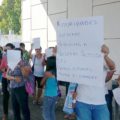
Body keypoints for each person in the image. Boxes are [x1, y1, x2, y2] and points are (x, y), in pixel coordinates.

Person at [75, 44, 115, 120]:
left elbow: (112, 67)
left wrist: (105, 55)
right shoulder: (79, 59)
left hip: (100, 103)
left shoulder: (102, 58)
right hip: (82, 101)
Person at [6, 48, 30, 120]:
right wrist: (14, 78)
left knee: (24, 108)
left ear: (20, 54)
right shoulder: (11, 63)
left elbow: (26, 76)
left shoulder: (25, 62)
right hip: (12, 88)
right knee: (15, 108)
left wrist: (21, 66)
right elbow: (6, 76)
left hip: (21, 88)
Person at [41, 47, 58, 120]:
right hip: (55, 95)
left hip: (49, 95)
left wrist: (44, 77)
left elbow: (41, 83)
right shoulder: (57, 72)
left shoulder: (48, 73)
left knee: (46, 113)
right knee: (51, 111)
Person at [0, 43, 15, 120]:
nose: (7, 51)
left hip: (14, 79)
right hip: (5, 78)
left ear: (13, 49)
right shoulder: (5, 57)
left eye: (9, 49)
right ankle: (5, 114)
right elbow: (1, 68)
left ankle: (17, 114)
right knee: (5, 97)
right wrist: (7, 70)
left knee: (15, 98)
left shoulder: (17, 58)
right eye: (6, 49)